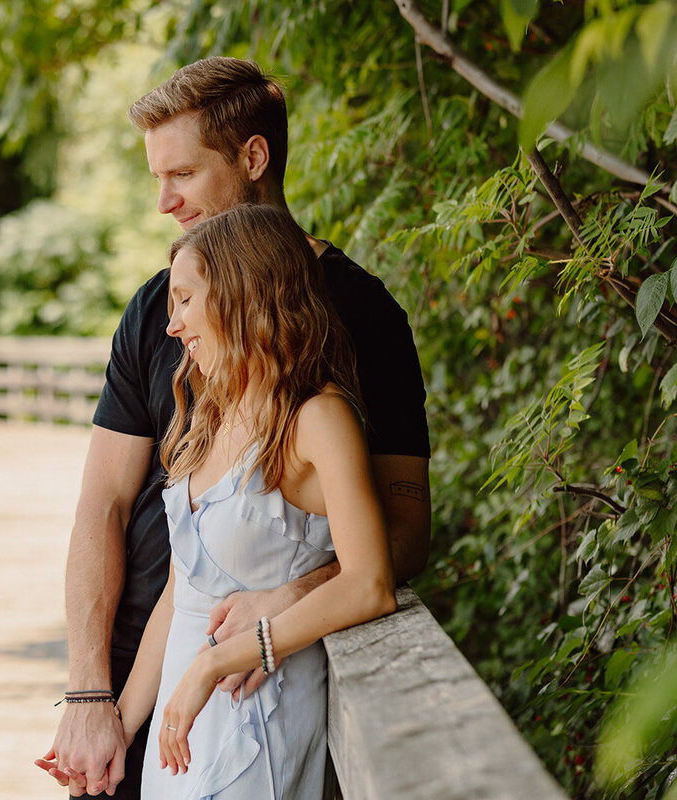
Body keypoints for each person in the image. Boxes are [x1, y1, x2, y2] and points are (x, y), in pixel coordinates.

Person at [37, 56, 430, 798]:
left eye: (181, 175)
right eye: (157, 179)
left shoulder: (363, 319)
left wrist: (291, 601)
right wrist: (96, 700)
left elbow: (398, 527)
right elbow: (105, 505)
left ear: (253, 158)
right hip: (148, 675)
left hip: (263, 682)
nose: (164, 202)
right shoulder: (160, 314)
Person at [116, 202, 396, 798]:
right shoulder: (211, 416)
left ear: (243, 294)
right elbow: (179, 594)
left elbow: (371, 583)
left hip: (254, 728)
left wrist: (222, 660)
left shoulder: (319, 418)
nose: (173, 326)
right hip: (180, 729)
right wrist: (119, 725)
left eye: (186, 300)